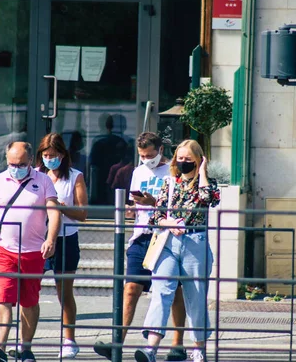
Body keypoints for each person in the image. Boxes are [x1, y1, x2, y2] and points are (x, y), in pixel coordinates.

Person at [94, 132, 187, 361]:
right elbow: (136, 203)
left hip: (165, 236)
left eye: (150, 155)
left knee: (172, 290)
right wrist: (131, 209)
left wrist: (152, 202)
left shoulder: (172, 172)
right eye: (142, 155)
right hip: (141, 234)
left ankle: (178, 344)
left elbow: (177, 206)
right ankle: (118, 343)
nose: (147, 159)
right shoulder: (138, 172)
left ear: (160, 151)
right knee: (130, 288)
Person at [134, 139, 220, 362]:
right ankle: (151, 348)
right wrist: (168, 223)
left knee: (196, 295)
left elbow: (208, 199)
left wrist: (201, 172)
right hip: (168, 242)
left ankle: (199, 347)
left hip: (195, 242)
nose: (183, 163)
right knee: (161, 292)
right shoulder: (169, 182)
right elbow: (156, 216)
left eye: (188, 159)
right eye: (179, 158)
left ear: (199, 160)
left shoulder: (208, 183)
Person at [0, 142, 61, 362]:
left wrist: (51, 239)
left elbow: (54, 211)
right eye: (11, 163)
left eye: (20, 164)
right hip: (3, 249)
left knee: (29, 301)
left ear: (30, 161)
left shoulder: (44, 180)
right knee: (3, 297)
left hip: (33, 252)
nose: (15, 167)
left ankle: (25, 347)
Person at [35, 133, 88, 359]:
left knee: (64, 292)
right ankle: (26, 339)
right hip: (37, 238)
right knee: (29, 290)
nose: (49, 159)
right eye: (46, 155)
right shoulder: (36, 175)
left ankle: (69, 340)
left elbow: (83, 213)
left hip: (66, 238)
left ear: (63, 155)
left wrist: (60, 207)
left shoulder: (75, 177)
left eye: (54, 155)